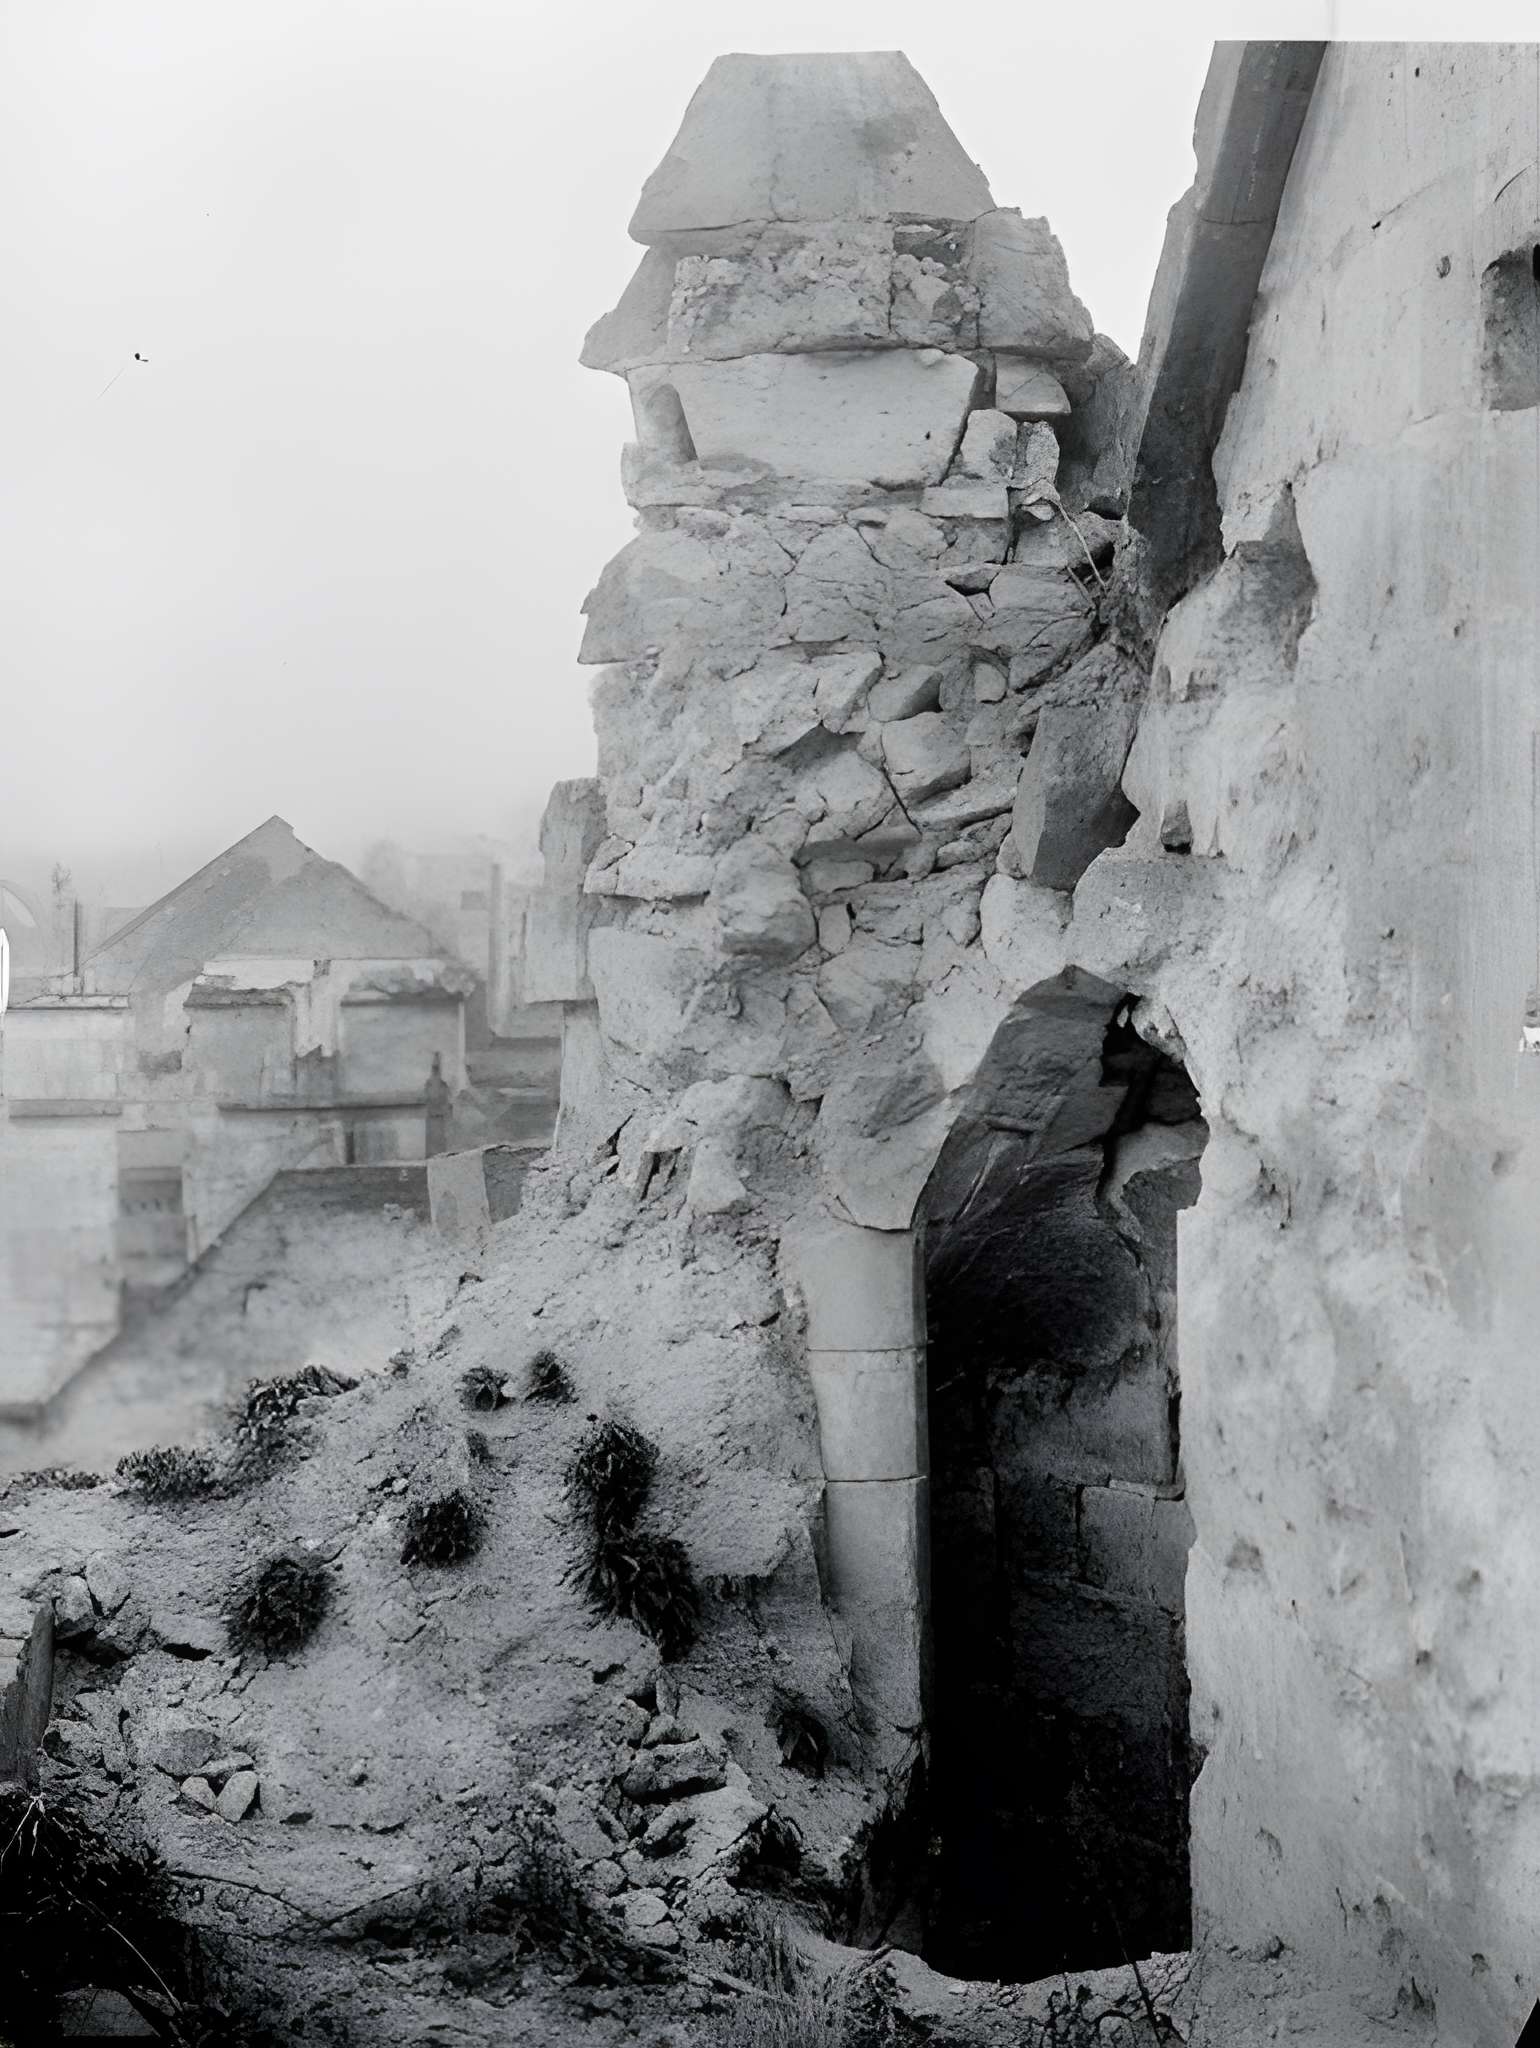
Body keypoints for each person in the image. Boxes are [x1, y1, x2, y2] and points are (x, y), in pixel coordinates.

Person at [424, 1052, 452, 1157]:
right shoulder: (428, 1085)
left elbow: (448, 1100)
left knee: (440, 1144)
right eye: (434, 1068)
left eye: (437, 1068)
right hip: (431, 1118)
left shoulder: (444, 1085)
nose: (435, 1070)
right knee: (431, 1143)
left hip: (440, 1119)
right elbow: (426, 1099)